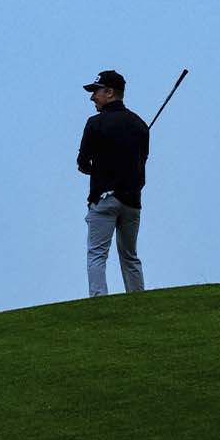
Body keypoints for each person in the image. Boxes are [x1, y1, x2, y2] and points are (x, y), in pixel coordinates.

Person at [77, 70, 150, 296]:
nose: (92, 98)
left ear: (109, 92)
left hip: (105, 199)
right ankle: (138, 300)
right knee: (130, 255)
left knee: (97, 253)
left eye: (96, 92)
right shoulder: (140, 125)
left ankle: (100, 302)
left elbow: (82, 162)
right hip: (132, 201)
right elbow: (142, 160)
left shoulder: (95, 123)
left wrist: (95, 170)